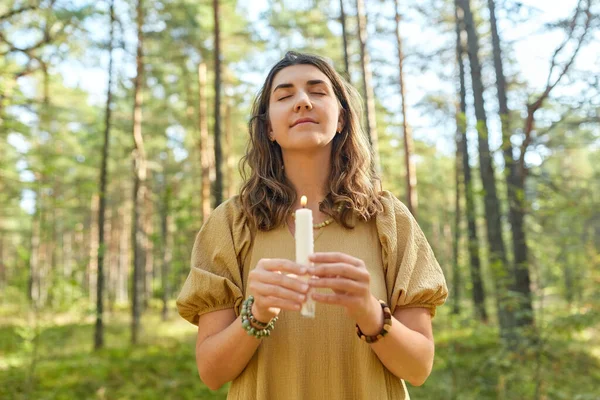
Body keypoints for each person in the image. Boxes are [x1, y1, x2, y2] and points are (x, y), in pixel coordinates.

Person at [176, 51, 448, 400]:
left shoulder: (388, 218)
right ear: (269, 128)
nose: (302, 102)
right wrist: (257, 313)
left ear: (341, 120)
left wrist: (368, 309)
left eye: (317, 91)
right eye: (285, 95)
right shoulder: (230, 223)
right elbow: (212, 373)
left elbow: (418, 368)